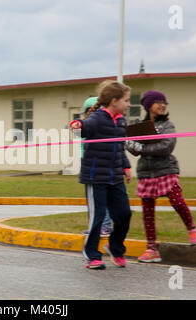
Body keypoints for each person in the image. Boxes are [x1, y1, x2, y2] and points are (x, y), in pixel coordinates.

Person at [125, 90, 196, 263]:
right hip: (146, 172)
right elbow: (134, 150)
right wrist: (128, 142)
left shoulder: (168, 125)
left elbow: (166, 147)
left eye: (164, 102)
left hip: (166, 170)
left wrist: (142, 148)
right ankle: (152, 249)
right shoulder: (139, 125)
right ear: (148, 105)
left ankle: (192, 228)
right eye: (158, 102)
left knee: (177, 201)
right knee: (148, 213)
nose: (162, 105)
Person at [70, 80, 132, 269]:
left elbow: (120, 148)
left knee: (124, 214)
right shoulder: (98, 119)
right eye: (127, 100)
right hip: (96, 177)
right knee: (97, 218)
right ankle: (92, 255)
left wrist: (126, 167)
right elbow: (84, 127)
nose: (129, 104)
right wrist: (77, 124)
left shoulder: (121, 121)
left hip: (115, 177)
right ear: (114, 101)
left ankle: (115, 248)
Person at [80, 97, 113, 236]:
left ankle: (105, 225)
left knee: (101, 197)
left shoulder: (101, 125)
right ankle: (95, 225)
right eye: (88, 110)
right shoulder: (87, 126)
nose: (91, 112)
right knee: (92, 199)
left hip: (100, 165)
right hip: (88, 165)